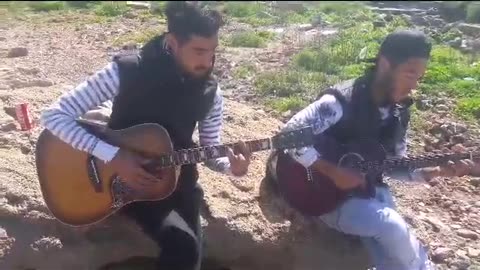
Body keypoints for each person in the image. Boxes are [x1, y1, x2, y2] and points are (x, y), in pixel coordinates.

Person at [39, 2, 251, 270]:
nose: (207, 61)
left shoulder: (211, 93)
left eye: (212, 52)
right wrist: (114, 156)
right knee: (183, 246)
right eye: (199, 51)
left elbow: (211, 149)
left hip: (179, 185)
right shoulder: (126, 71)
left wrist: (231, 167)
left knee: (191, 256)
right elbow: (54, 116)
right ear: (173, 42)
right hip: (120, 182)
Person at [267, 30, 475, 270]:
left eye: (419, 78)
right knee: (390, 225)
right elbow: (288, 136)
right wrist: (332, 171)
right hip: (317, 191)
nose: (414, 85)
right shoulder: (340, 102)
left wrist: (436, 172)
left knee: (388, 234)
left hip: (363, 189)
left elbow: (395, 166)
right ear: (386, 64)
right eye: (409, 74)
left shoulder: (398, 113)